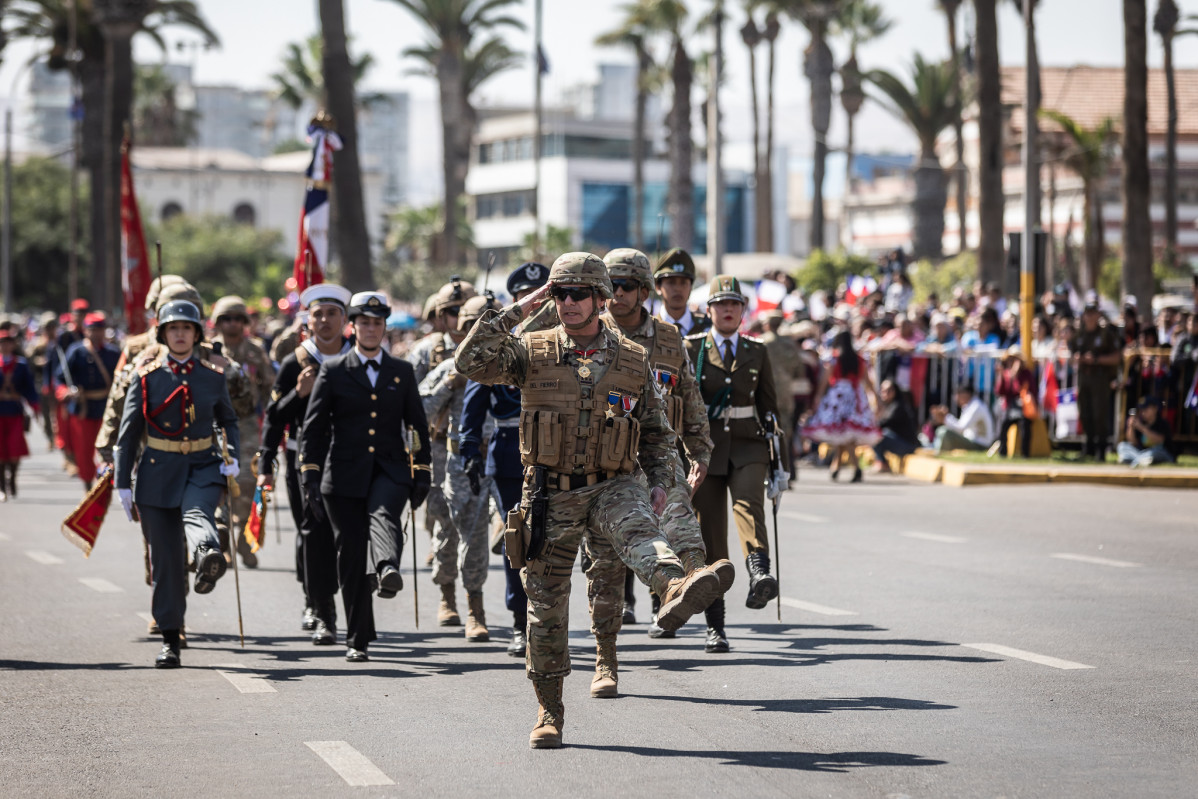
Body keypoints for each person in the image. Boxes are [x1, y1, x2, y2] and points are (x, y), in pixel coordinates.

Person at [456, 252, 722, 750]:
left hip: (613, 482)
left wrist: (664, 481)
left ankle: (675, 587)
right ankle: (549, 710)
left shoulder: (633, 358)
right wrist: (523, 307)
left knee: (639, 530)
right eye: (561, 293)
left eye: (579, 293)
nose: (569, 303)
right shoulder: (530, 350)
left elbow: (658, 436)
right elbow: (468, 361)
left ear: (601, 299)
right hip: (550, 494)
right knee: (547, 607)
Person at [600, 248, 732, 659]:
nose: (615, 295)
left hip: (658, 452)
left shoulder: (669, 338)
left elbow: (690, 399)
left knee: (679, 516)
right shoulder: (587, 334)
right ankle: (611, 645)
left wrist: (701, 453)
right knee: (608, 561)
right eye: (609, 287)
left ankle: (693, 579)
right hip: (605, 460)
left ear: (642, 291)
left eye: (624, 287)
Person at [300, 291, 433, 663]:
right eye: (364, 322)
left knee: (384, 514)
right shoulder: (334, 370)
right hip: (342, 475)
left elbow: (417, 426)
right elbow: (313, 429)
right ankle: (358, 636)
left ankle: (387, 565)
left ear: (384, 327)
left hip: (390, 468)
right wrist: (309, 473)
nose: (371, 329)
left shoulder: (401, 371)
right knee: (351, 554)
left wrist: (422, 470)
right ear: (352, 326)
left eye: (377, 322)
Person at [114, 300, 240, 668]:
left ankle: (206, 555)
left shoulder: (212, 377)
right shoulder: (146, 377)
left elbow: (229, 420)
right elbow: (128, 433)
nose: (181, 333)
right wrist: (123, 482)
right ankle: (171, 637)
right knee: (165, 561)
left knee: (198, 511)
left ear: (197, 334)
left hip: (203, 464)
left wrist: (230, 455)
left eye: (187, 328)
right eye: (174, 328)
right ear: (163, 334)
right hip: (156, 470)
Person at [459, 262, 549, 658]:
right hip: (512, 455)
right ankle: (519, 622)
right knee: (521, 539)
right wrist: (469, 450)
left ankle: (549, 620)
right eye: (524, 299)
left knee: (548, 546)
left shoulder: (565, 342)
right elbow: (474, 401)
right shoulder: (503, 348)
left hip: (558, 455)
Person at [258, 283, 353, 646]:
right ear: (307, 321)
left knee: (344, 534)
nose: (325, 320)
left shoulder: (356, 356)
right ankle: (317, 605)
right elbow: (273, 416)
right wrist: (298, 394)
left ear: (345, 320)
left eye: (333, 314)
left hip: (349, 457)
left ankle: (341, 602)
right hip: (305, 460)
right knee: (312, 532)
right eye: (318, 314)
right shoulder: (294, 362)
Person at [687, 274, 782, 631]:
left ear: (743, 310)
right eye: (721, 304)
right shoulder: (691, 348)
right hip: (704, 449)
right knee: (710, 530)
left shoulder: (757, 350)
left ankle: (760, 572)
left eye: (734, 304)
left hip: (748, 445)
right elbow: (680, 404)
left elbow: (770, 409)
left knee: (748, 504)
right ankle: (716, 625)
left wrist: (779, 463)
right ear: (709, 310)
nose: (728, 309)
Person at [419, 293, 503, 643]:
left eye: (488, 326)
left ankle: (475, 609)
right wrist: (449, 383)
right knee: (450, 532)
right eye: (472, 326)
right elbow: (419, 410)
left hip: (500, 461)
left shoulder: (511, 366)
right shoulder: (450, 366)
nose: (480, 333)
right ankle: (447, 595)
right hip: (457, 463)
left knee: (477, 539)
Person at [407, 277, 477, 612]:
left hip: (484, 450)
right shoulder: (427, 351)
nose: (458, 317)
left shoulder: (498, 349)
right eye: (451, 311)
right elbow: (411, 402)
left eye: (465, 311)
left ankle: (473, 601)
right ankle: (446, 594)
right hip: (438, 445)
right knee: (441, 512)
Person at [211, 295, 276, 567]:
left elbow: (270, 388)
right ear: (218, 322)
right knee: (218, 485)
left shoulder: (255, 350)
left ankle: (244, 539)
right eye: (226, 319)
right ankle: (222, 542)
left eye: (238, 318)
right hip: (214, 425)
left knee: (250, 482)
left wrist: (274, 422)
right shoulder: (208, 351)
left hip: (247, 424)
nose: (232, 324)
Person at [802, 330, 882, 482]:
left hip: (838, 397)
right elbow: (867, 382)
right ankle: (836, 466)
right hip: (855, 396)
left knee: (844, 434)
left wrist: (818, 397)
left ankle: (854, 467)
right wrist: (876, 398)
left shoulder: (835, 360)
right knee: (844, 434)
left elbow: (825, 380)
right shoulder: (859, 360)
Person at [59, 313, 120, 489]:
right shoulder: (76, 351)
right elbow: (61, 378)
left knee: (108, 449)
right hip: (83, 408)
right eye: (92, 329)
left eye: (99, 329)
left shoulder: (113, 353)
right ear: (86, 331)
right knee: (84, 451)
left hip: (107, 407)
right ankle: (88, 486)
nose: (96, 333)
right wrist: (68, 392)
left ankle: (106, 483)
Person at [1071, 293, 1123, 461]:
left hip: (1100, 378)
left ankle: (1101, 449)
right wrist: (1078, 358)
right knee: (1084, 411)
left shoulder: (1105, 334)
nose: (1090, 316)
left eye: (1093, 312)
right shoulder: (1080, 334)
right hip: (1084, 377)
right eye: (1087, 312)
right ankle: (1089, 447)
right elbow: (1072, 351)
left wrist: (1096, 359)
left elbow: (1117, 357)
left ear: (1098, 314)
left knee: (1099, 413)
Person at [0, 329, 39, 500]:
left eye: (8, 342)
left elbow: (29, 388)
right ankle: (1, 486)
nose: (5, 345)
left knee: (15, 450)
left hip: (15, 411)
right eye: (2, 342)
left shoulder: (21, 365)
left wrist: (35, 406)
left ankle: (13, 479)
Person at [653, 248, 711, 336]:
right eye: (671, 282)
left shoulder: (708, 329)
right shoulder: (648, 330)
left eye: (683, 283)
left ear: (691, 287)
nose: (678, 288)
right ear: (658, 287)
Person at [929, 382, 995, 453]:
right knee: (941, 431)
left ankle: (940, 454)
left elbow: (961, 428)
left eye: (957, 394)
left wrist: (945, 418)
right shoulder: (969, 406)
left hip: (981, 445)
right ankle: (935, 450)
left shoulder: (976, 406)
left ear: (966, 394)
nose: (955, 398)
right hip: (973, 441)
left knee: (945, 432)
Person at [995, 347, 1036, 457]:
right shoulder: (1006, 373)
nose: (1011, 362)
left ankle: (1025, 453)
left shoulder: (1026, 373)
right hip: (1010, 407)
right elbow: (1000, 391)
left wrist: (1016, 376)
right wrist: (1002, 377)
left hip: (1023, 408)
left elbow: (1028, 390)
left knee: (1025, 426)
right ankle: (1002, 452)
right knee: (1003, 425)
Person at [871, 378, 918, 472]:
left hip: (907, 445)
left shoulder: (898, 406)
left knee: (875, 435)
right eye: (883, 391)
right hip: (898, 441)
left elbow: (883, 424)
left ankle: (882, 463)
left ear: (894, 391)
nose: (884, 393)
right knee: (878, 434)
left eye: (888, 391)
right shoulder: (888, 405)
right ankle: (881, 461)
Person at [1117, 396, 1174, 467]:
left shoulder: (1162, 423)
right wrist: (1130, 427)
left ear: (1155, 409)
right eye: (1141, 409)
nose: (1143, 412)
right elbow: (1133, 442)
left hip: (1159, 452)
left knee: (1154, 452)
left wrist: (1141, 428)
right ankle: (1140, 460)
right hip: (1142, 453)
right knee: (1122, 446)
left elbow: (1159, 440)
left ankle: (1133, 459)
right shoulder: (1141, 422)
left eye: (1146, 408)